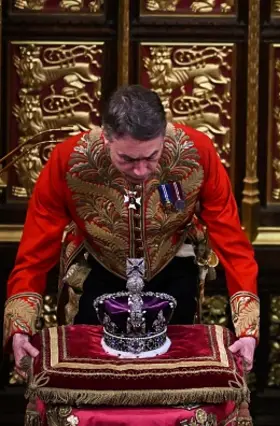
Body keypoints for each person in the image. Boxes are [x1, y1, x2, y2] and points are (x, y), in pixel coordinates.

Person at [3, 84, 259, 373]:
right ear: (106, 138)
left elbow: (232, 240)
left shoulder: (196, 152)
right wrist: (20, 327)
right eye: (127, 159)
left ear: (164, 135)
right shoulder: (68, 160)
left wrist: (247, 330)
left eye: (152, 156)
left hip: (173, 270)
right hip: (97, 273)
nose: (140, 171)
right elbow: (35, 252)